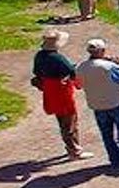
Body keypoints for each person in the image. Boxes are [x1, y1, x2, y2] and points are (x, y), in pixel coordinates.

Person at [32, 29, 91, 160]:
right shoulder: (57, 58)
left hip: (49, 90)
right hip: (61, 91)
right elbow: (72, 72)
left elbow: (36, 73)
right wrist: (78, 83)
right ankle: (74, 149)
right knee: (70, 121)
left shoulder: (39, 56)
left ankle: (71, 147)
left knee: (61, 120)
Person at [75, 39, 119, 167]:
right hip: (115, 102)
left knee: (106, 135)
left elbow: (78, 85)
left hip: (96, 105)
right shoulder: (109, 67)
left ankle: (114, 158)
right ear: (102, 51)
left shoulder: (81, 67)